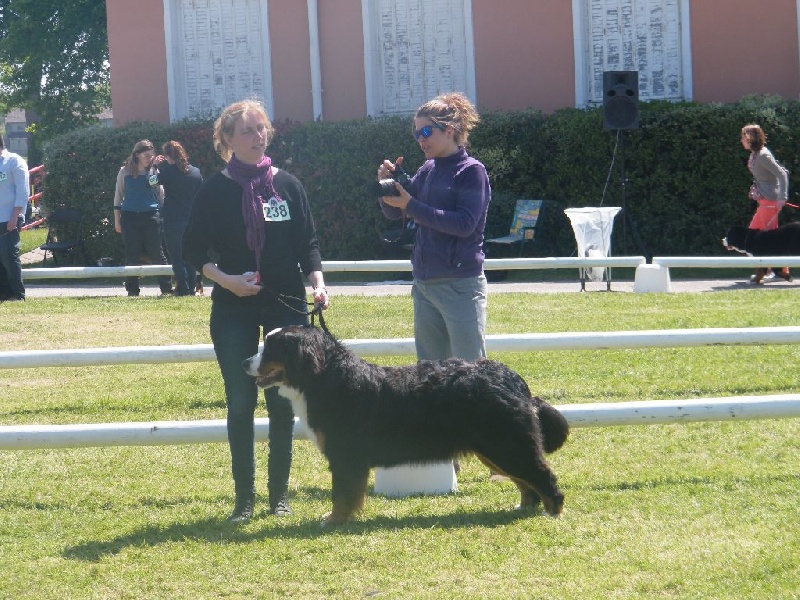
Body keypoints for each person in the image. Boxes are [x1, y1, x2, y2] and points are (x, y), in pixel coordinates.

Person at [183, 99, 329, 522]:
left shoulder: (287, 184)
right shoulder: (214, 189)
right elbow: (191, 249)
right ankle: (243, 499)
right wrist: (226, 280)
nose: (257, 136)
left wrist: (318, 283)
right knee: (241, 401)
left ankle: (278, 495)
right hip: (233, 307)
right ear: (226, 140)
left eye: (261, 128)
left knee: (282, 402)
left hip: (286, 306)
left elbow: (309, 243)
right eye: (246, 131)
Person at [377, 92, 492, 474]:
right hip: (425, 285)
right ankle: (445, 464)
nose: (421, 139)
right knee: (430, 376)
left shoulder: (471, 171)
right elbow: (401, 219)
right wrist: (388, 191)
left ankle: (498, 455)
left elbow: (463, 224)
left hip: (460, 285)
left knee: (472, 378)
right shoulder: (426, 171)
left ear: (453, 130)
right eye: (416, 134)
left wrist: (409, 204)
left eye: (427, 131)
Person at [113, 140, 173, 296]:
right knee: (132, 253)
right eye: (146, 155)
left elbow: (160, 195)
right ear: (137, 155)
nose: (149, 158)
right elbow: (118, 197)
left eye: (151, 156)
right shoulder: (124, 171)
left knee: (157, 252)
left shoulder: (153, 173)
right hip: (129, 217)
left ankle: (166, 288)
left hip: (151, 216)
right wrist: (116, 220)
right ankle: (132, 290)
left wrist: (163, 216)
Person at [740, 124, 791, 283]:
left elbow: (782, 174)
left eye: (743, 137)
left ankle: (763, 273)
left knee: (757, 237)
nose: (741, 140)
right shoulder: (756, 154)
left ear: (751, 138)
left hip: (770, 201)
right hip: (765, 200)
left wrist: (782, 196)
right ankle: (781, 271)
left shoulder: (763, 155)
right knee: (768, 238)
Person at [152, 141, 204, 296]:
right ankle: (192, 288)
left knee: (176, 257)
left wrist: (154, 166)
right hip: (191, 220)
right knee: (189, 257)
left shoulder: (167, 172)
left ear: (168, 156)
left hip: (173, 220)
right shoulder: (196, 172)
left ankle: (183, 288)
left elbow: (150, 182)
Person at [0, 133, 29, 302]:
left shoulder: (13, 161)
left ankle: (17, 294)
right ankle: (3, 292)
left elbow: (22, 192)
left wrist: (15, 216)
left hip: (10, 217)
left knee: (8, 255)